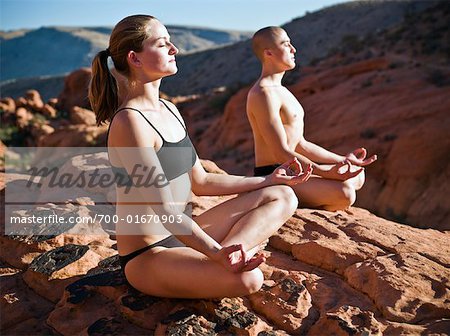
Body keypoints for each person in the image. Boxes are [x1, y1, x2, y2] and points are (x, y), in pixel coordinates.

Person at [89, 15, 313, 299]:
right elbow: (165, 212)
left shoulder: (170, 110)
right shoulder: (129, 123)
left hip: (185, 235)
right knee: (250, 280)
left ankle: (232, 255)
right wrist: (217, 253)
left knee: (281, 194)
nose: (174, 49)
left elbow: (202, 181)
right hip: (150, 255)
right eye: (162, 44)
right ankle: (229, 258)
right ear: (135, 58)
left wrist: (267, 179)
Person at [247, 26, 377, 211]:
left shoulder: (282, 91)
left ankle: (313, 195)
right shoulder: (262, 93)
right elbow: (280, 152)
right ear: (269, 53)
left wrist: (342, 161)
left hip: (295, 169)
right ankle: (285, 202)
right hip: (275, 174)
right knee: (346, 193)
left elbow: (300, 144)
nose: (294, 49)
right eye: (286, 44)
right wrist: (324, 171)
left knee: (357, 174)